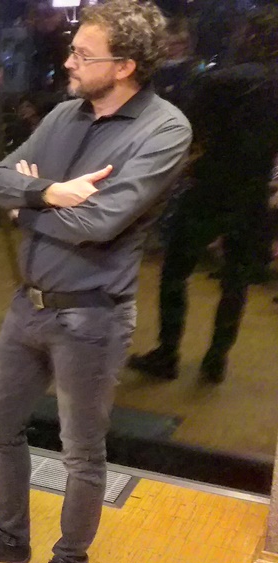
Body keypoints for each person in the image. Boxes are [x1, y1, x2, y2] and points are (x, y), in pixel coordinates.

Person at [0, 3, 191, 563]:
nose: (69, 61)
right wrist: (52, 193)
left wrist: (24, 207)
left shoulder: (164, 129)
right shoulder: (63, 115)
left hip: (92, 318)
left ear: (124, 66)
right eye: (73, 49)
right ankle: (10, 538)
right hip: (28, 305)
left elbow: (101, 222)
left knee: (81, 452)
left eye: (83, 53)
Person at [128, 7, 278, 384]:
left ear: (250, 37)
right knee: (236, 281)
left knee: (175, 270)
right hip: (254, 192)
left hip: (210, 187)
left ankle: (168, 353)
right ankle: (216, 360)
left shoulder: (220, 82)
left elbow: (189, 135)